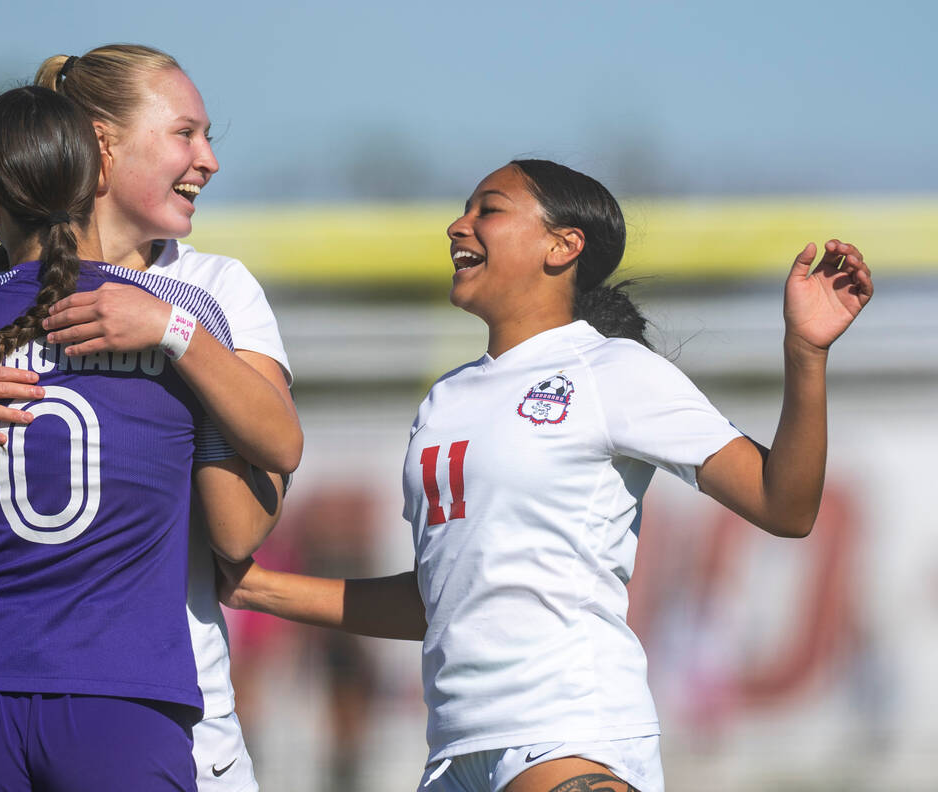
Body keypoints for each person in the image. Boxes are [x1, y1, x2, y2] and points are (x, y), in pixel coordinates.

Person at [218, 159, 874, 792]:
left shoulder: (611, 370)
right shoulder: (442, 402)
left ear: (562, 246)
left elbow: (785, 506)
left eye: (489, 210)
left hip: (567, 735)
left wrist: (805, 352)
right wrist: (257, 589)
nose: (458, 225)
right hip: (452, 755)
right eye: (464, 208)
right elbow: (437, 599)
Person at [0, 45, 299, 791]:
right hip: (22, 691)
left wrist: (173, 337)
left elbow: (243, 519)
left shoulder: (208, 290)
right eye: (186, 134)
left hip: (170, 702)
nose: (208, 160)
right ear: (100, 148)